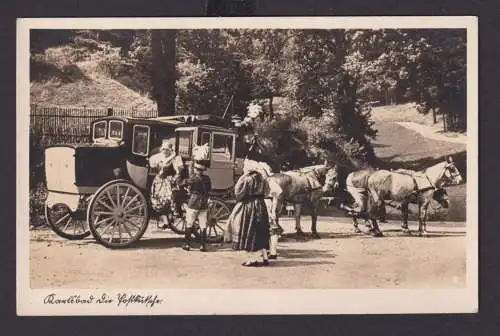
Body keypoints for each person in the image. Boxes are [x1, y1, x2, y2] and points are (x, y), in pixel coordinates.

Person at [227, 159, 272, 267]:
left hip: (250, 205)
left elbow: (238, 193)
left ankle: (252, 260)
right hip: (261, 205)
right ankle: (265, 258)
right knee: (261, 231)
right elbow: (267, 192)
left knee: (249, 230)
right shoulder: (262, 178)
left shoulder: (247, 178)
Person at [180, 158, 212, 252]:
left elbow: (183, 184)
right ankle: (202, 246)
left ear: (197, 170)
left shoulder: (193, 178)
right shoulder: (207, 179)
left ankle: (187, 245)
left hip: (193, 202)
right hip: (203, 204)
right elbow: (209, 189)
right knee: (203, 224)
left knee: (189, 223)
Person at [149, 140, 178, 228]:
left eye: (167, 150)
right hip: (159, 180)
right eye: (163, 149)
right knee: (157, 199)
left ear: (170, 150)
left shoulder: (174, 158)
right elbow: (154, 167)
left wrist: (175, 178)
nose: (165, 151)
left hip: (169, 180)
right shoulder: (158, 158)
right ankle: (165, 221)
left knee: (167, 198)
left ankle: (171, 217)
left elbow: (178, 171)